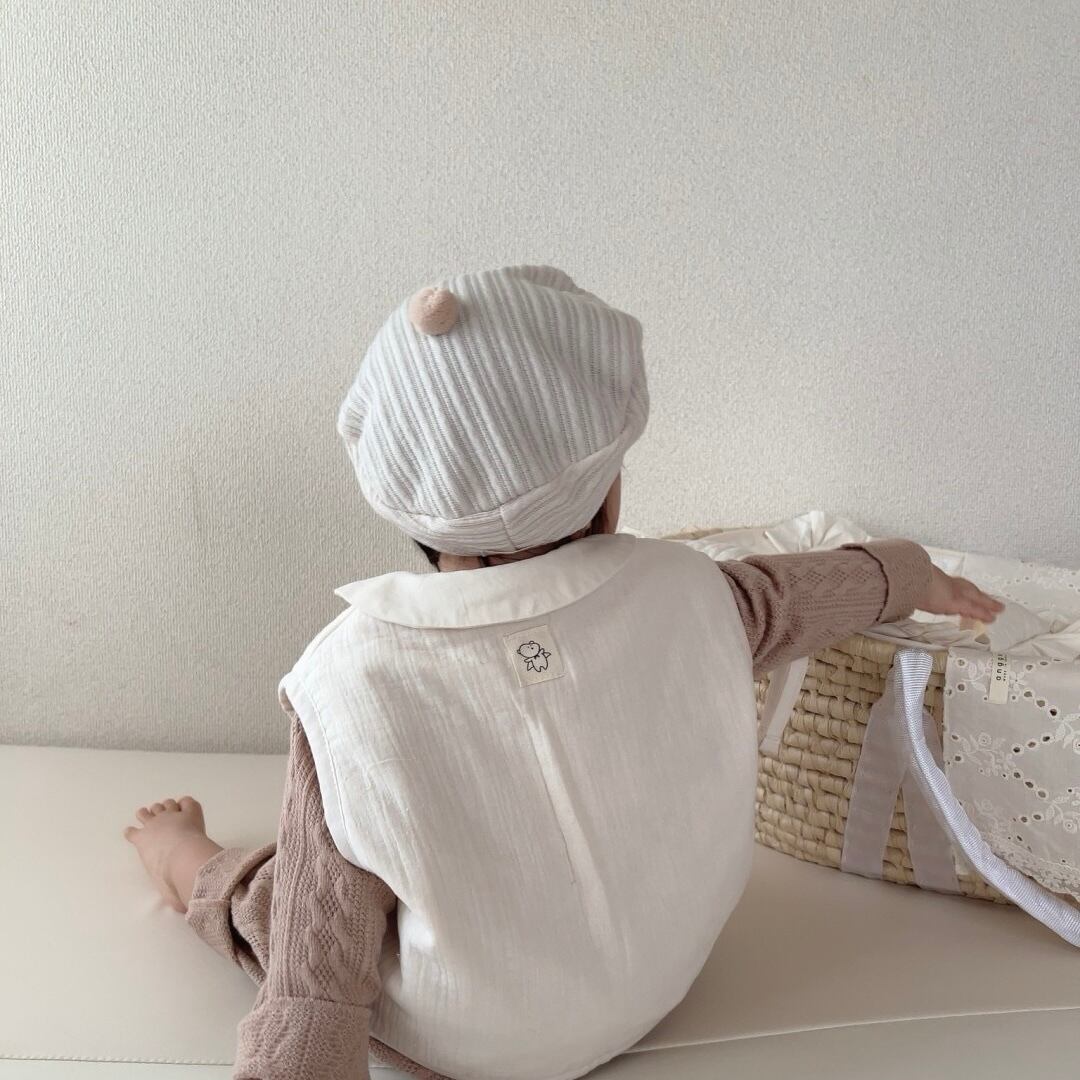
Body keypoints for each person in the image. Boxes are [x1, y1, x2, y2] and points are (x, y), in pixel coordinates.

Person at [123, 266, 1004, 1080]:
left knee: (291, 901)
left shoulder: (350, 683)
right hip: (666, 969)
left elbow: (320, 968)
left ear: (410, 511)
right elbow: (802, 594)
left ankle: (184, 863)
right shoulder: (691, 589)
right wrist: (913, 573)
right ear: (608, 484)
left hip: (474, 1045)